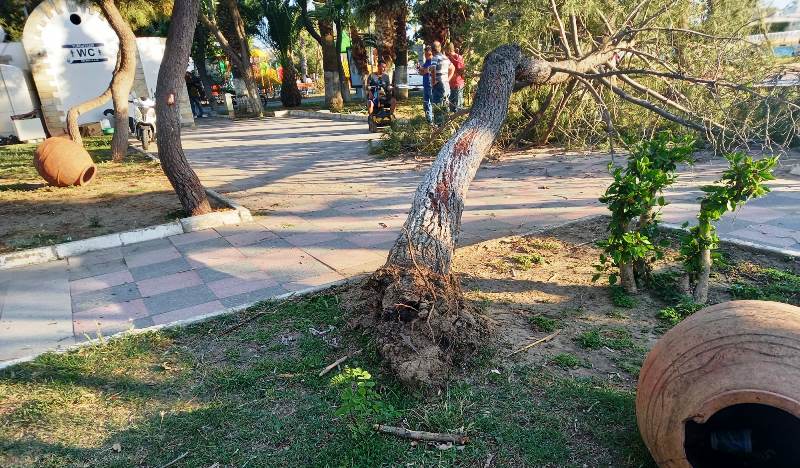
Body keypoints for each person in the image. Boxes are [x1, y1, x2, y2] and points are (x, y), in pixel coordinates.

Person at [429, 41, 454, 126]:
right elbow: (452, 68)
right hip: (446, 85)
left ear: (432, 50)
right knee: (446, 105)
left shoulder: (435, 58)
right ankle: (447, 126)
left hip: (438, 85)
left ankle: (439, 128)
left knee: (438, 107)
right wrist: (448, 79)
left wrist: (433, 82)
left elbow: (432, 70)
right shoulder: (445, 58)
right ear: (440, 48)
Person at [417, 45, 434, 124]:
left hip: (432, 86)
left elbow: (427, 70)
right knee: (426, 104)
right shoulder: (426, 62)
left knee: (433, 104)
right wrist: (420, 69)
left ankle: (437, 121)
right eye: (426, 54)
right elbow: (421, 72)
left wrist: (423, 70)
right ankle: (429, 122)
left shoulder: (433, 61)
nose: (427, 56)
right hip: (425, 86)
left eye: (429, 54)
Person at [446, 43, 465, 113]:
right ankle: (452, 120)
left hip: (458, 84)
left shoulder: (458, 58)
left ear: (448, 49)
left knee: (458, 104)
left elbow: (461, 70)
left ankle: (459, 120)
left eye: (446, 50)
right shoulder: (447, 58)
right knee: (451, 104)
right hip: (450, 84)